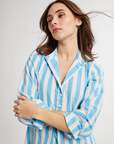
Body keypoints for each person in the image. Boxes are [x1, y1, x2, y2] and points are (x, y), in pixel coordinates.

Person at [13, 0, 105, 143]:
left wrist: (36, 111)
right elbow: (23, 112)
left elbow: (86, 125)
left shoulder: (94, 71)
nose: (53, 22)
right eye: (50, 19)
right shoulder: (36, 60)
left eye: (60, 15)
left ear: (78, 20)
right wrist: (72, 119)